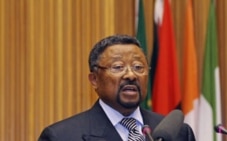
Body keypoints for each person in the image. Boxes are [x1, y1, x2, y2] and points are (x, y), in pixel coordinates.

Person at [38, 34, 196, 141]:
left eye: (138, 67)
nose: (131, 75)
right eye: (118, 67)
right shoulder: (61, 136)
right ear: (94, 79)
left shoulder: (178, 133)